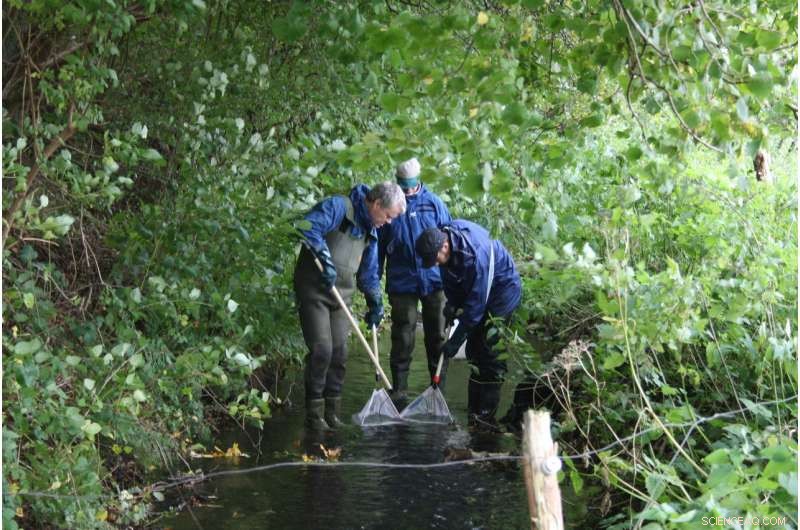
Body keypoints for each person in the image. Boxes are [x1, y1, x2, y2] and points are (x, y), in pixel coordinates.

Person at [295, 181, 406, 430]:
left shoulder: (372, 232)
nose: (388, 222)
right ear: (376, 204)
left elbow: (368, 273)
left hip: (342, 296)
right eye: (388, 216)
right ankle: (314, 415)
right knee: (322, 350)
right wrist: (323, 255)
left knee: (340, 353)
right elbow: (307, 227)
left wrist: (375, 302)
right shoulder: (338, 207)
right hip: (315, 289)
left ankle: (332, 413)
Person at [415, 220, 522, 430]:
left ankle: (485, 417)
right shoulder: (446, 240)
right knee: (474, 350)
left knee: (489, 352)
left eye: (434, 259)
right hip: (479, 291)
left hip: (502, 293)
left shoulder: (476, 255)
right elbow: (451, 278)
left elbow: (475, 309)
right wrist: (452, 304)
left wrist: (454, 341)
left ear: (444, 246)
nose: (435, 263)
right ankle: (474, 412)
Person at [378, 158, 452, 405]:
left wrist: (452, 279)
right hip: (402, 281)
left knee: (437, 335)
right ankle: (399, 390)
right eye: (404, 187)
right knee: (403, 335)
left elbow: (448, 242)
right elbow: (377, 247)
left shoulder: (434, 204)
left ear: (419, 181)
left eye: (411, 186)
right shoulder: (390, 205)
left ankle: (437, 386)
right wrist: (373, 281)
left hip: (434, 280)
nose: (408, 192)